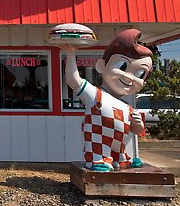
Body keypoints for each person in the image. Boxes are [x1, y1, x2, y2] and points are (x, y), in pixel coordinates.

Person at [62, 28, 153, 172]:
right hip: (98, 144)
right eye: (123, 66)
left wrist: (138, 123)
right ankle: (97, 160)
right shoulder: (95, 95)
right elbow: (74, 80)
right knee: (98, 144)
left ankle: (121, 159)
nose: (129, 77)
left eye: (140, 74)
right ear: (101, 66)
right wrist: (70, 54)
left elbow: (137, 130)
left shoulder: (126, 106)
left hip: (118, 145)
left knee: (119, 147)